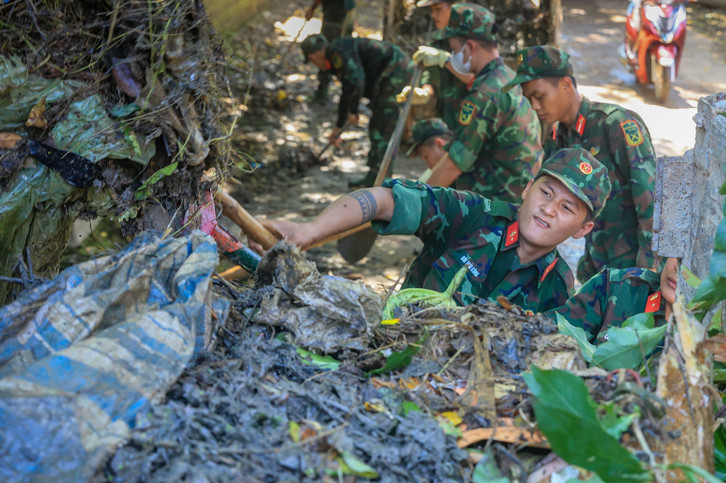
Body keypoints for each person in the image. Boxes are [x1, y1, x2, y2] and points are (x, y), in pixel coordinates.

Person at [259, 147, 611, 313]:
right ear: (526, 189)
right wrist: (309, 231)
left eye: (567, 208)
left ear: (582, 229)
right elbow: (384, 201)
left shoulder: (558, 288)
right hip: (391, 345)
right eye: (545, 192)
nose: (548, 209)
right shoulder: (473, 216)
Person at [507, 45, 657, 282]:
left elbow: (652, 205)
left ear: (566, 84)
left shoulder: (615, 125)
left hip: (631, 267)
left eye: (539, 96)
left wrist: (646, 274)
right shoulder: (560, 140)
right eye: (529, 99)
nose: (534, 106)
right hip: (595, 266)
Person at [415, 3, 543, 204]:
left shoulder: (485, 93)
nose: (453, 54)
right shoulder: (507, 77)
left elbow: (454, 163)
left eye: (455, 49)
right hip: (519, 197)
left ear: (470, 47)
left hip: (496, 207)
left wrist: (415, 200)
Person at [301, 34, 416, 188]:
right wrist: (339, 125)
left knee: (383, 127)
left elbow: (356, 80)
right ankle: (375, 177)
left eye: (312, 61)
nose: (315, 64)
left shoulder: (337, 52)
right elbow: (347, 88)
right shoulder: (337, 54)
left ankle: (381, 181)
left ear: (314, 55)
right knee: (378, 126)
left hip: (395, 71)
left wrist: (353, 111)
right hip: (390, 73)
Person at [551, 257, 679, 344]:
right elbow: (547, 336)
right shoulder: (619, 287)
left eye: (697, 264)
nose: (679, 268)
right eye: (680, 256)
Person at [396, 0, 471, 131]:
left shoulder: (476, 37)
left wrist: (445, 60)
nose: (433, 15)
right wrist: (426, 92)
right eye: (432, 10)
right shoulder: (438, 40)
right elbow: (431, 73)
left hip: (473, 118)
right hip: (447, 117)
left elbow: (477, 77)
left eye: (438, 9)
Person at [303, 0, 356, 104]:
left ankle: (323, 92)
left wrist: (312, 8)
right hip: (346, 13)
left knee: (326, 51)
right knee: (342, 50)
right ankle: (348, 95)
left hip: (336, 14)